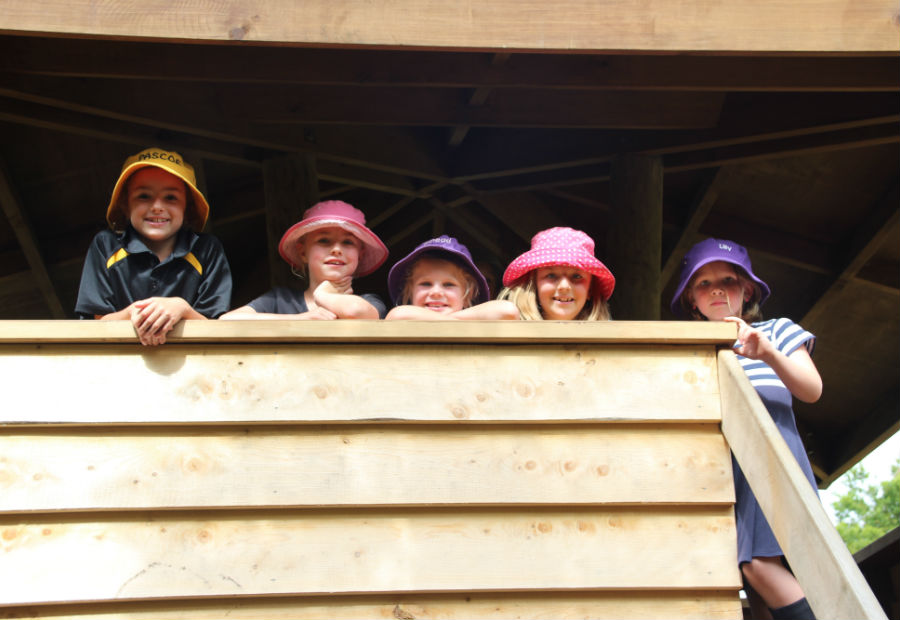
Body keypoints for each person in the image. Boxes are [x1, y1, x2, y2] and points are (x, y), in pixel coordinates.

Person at [671, 238, 822, 620]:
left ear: (748, 289)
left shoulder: (778, 330)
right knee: (755, 592)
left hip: (772, 461)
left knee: (758, 564)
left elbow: (811, 390)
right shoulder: (684, 349)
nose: (716, 288)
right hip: (717, 480)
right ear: (691, 298)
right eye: (703, 283)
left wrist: (767, 352)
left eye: (728, 279)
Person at [74, 147, 232, 346]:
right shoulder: (105, 245)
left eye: (171, 197)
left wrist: (181, 308)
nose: (157, 206)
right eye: (144, 196)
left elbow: (218, 328)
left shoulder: (207, 249)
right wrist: (133, 313)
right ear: (125, 203)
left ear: (188, 206)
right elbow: (92, 326)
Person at [221, 200, 387, 320]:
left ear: (361, 254)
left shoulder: (369, 301)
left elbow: (355, 312)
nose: (337, 249)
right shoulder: (281, 300)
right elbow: (228, 321)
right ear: (303, 253)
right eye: (324, 240)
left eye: (348, 242)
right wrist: (299, 319)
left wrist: (322, 295)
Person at [384, 235, 518, 321]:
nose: (436, 292)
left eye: (448, 284)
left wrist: (451, 319)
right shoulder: (404, 315)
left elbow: (507, 310)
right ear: (409, 292)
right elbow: (397, 314)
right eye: (425, 284)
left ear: (467, 296)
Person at [497, 227, 615, 320]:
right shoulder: (513, 321)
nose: (564, 286)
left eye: (577, 276)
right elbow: (503, 311)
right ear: (534, 284)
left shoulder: (610, 337)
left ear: (590, 289)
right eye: (551, 275)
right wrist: (509, 311)